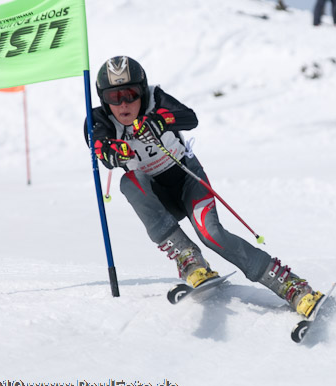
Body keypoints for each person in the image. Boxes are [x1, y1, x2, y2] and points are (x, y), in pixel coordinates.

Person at [84, 56, 323, 317]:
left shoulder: (155, 99)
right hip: (158, 199)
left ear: (142, 90)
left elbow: (189, 118)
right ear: (103, 99)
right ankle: (189, 260)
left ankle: (292, 286)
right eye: (113, 97)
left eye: (130, 94)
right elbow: (99, 142)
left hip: (187, 181)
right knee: (128, 181)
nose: (123, 104)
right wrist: (109, 150)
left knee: (213, 235)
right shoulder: (100, 119)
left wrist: (161, 120)